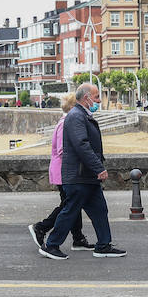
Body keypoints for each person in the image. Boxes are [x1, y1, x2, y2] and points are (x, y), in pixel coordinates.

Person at [40, 83, 126, 260]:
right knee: (70, 211)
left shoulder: (81, 115)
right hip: (79, 176)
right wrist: (98, 168)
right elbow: (82, 145)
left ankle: (103, 245)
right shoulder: (76, 116)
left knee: (99, 210)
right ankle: (51, 245)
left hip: (86, 176)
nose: (99, 100)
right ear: (86, 98)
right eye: (96, 97)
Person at [28, 93, 95, 252]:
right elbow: (62, 149)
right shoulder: (66, 123)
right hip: (63, 171)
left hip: (64, 170)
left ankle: (78, 238)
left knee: (73, 204)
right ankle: (42, 227)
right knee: (69, 205)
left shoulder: (66, 121)